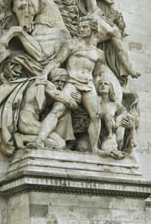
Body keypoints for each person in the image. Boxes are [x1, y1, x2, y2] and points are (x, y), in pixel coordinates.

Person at [35, 16, 104, 153]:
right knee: (57, 110)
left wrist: (101, 95)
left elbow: (97, 74)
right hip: (72, 82)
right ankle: (39, 140)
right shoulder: (71, 44)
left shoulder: (98, 53)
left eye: (85, 27)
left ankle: (94, 147)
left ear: (93, 28)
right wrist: (44, 74)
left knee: (96, 115)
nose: (81, 29)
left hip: (89, 85)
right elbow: (57, 61)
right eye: (80, 26)